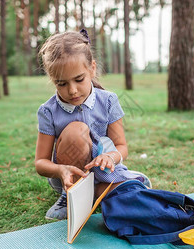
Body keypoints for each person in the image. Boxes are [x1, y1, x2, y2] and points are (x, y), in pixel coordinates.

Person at [35, 30, 151, 220]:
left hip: (103, 173)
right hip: (68, 177)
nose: (72, 91)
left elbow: (121, 147)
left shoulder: (108, 101)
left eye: (79, 79)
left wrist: (110, 157)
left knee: (123, 199)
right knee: (76, 130)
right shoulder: (48, 111)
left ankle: (121, 182)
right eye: (61, 84)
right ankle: (70, 196)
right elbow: (40, 163)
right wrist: (60, 170)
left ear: (92, 69)